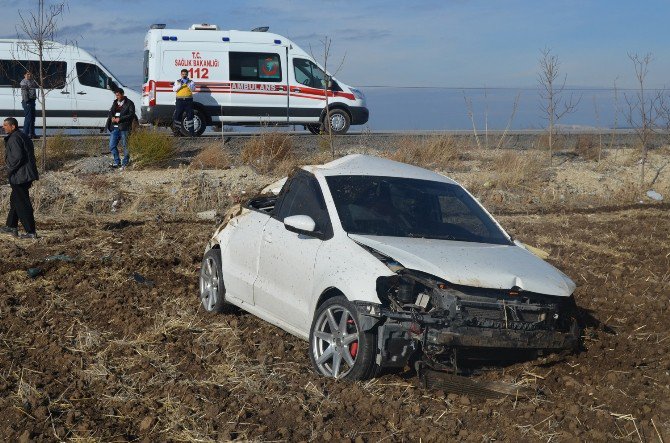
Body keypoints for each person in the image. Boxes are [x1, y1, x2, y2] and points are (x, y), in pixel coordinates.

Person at [1, 117, 39, 239]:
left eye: (6, 125)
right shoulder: (21, 135)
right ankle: (11, 226)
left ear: (13, 126)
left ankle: (31, 231)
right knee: (15, 200)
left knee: (22, 203)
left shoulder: (14, 138)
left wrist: (9, 170)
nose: (3, 127)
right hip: (25, 174)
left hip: (20, 175)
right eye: (3, 125)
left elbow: (17, 158)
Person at [105, 88, 136, 169]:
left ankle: (125, 163)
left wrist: (120, 119)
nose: (117, 96)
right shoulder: (115, 103)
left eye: (118, 95)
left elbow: (131, 115)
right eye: (116, 95)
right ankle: (117, 162)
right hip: (114, 128)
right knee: (112, 145)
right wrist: (112, 117)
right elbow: (111, 112)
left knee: (125, 145)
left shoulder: (129, 103)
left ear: (122, 94)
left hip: (124, 128)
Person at [172, 69, 196, 136]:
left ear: (187, 74)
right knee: (178, 116)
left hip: (188, 101)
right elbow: (174, 89)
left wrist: (188, 84)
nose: (184, 75)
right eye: (183, 74)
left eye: (185, 74)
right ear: (181, 74)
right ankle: (177, 132)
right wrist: (181, 84)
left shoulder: (191, 82)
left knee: (190, 116)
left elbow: (193, 89)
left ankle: (191, 133)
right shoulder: (177, 81)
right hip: (180, 101)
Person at [20, 71, 38, 139]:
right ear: (24, 75)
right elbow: (24, 93)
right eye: (27, 74)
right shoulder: (24, 82)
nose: (29, 76)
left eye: (30, 74)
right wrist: (27, 101)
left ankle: (32, 134)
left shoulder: (32, 81)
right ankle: (25, 134)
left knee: (32, 118)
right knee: (28, 118)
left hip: (32, 101)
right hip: (27, 101)